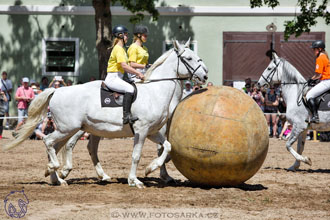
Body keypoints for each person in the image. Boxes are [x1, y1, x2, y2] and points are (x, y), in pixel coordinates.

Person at [105, 25, 144, 124]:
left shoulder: (122, 49)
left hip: (119, 77)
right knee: (129, 89)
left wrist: (135, 73)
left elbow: (126, 67)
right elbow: (125, 66)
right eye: (126, 35)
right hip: (113, 78)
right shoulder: (118, 49)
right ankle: (126, 116)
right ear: (120, 35)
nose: (127, 37)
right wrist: (138, 73)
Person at [306, 40, 330, 123]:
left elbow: (318, 75)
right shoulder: (325, 56)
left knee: (309, 95)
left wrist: (311, 79)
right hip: (327, 80)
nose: (313, 51)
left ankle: (315, 116)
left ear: (319, 49)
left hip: (326, 81)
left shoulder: (320, 58)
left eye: (314, 49)